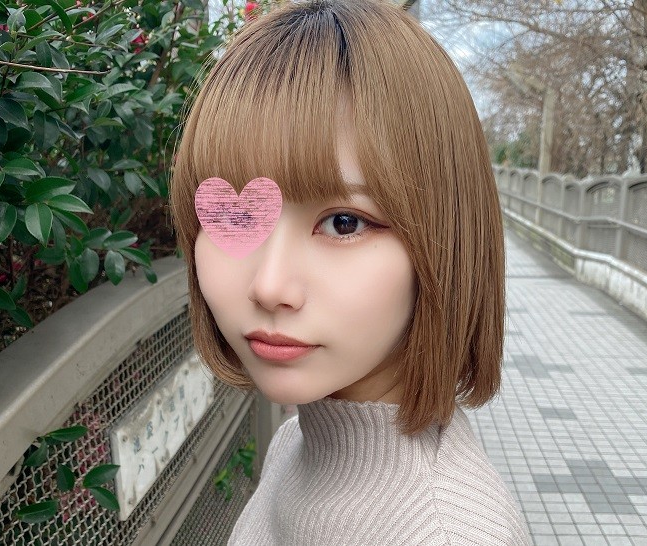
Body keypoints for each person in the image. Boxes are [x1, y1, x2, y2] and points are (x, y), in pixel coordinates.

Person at [170, 1, 531, 544]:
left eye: (344, 223)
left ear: (445, 237)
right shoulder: (296, 442)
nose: (269, 286)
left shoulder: (446, 533)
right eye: (236, 217)